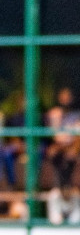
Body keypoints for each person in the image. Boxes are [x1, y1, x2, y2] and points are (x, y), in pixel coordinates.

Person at [44, 87, 80, 224]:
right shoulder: (55, 113)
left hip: (72, 150)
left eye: (68, 95)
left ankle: (67, 189)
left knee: (71, 156)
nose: (66, 98)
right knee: (55, 154)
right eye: (63, 95)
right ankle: (61, 189)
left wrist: (72, 146)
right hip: (60, 151)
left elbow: (76, 139)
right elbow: (55, 137)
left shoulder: (76, 114)